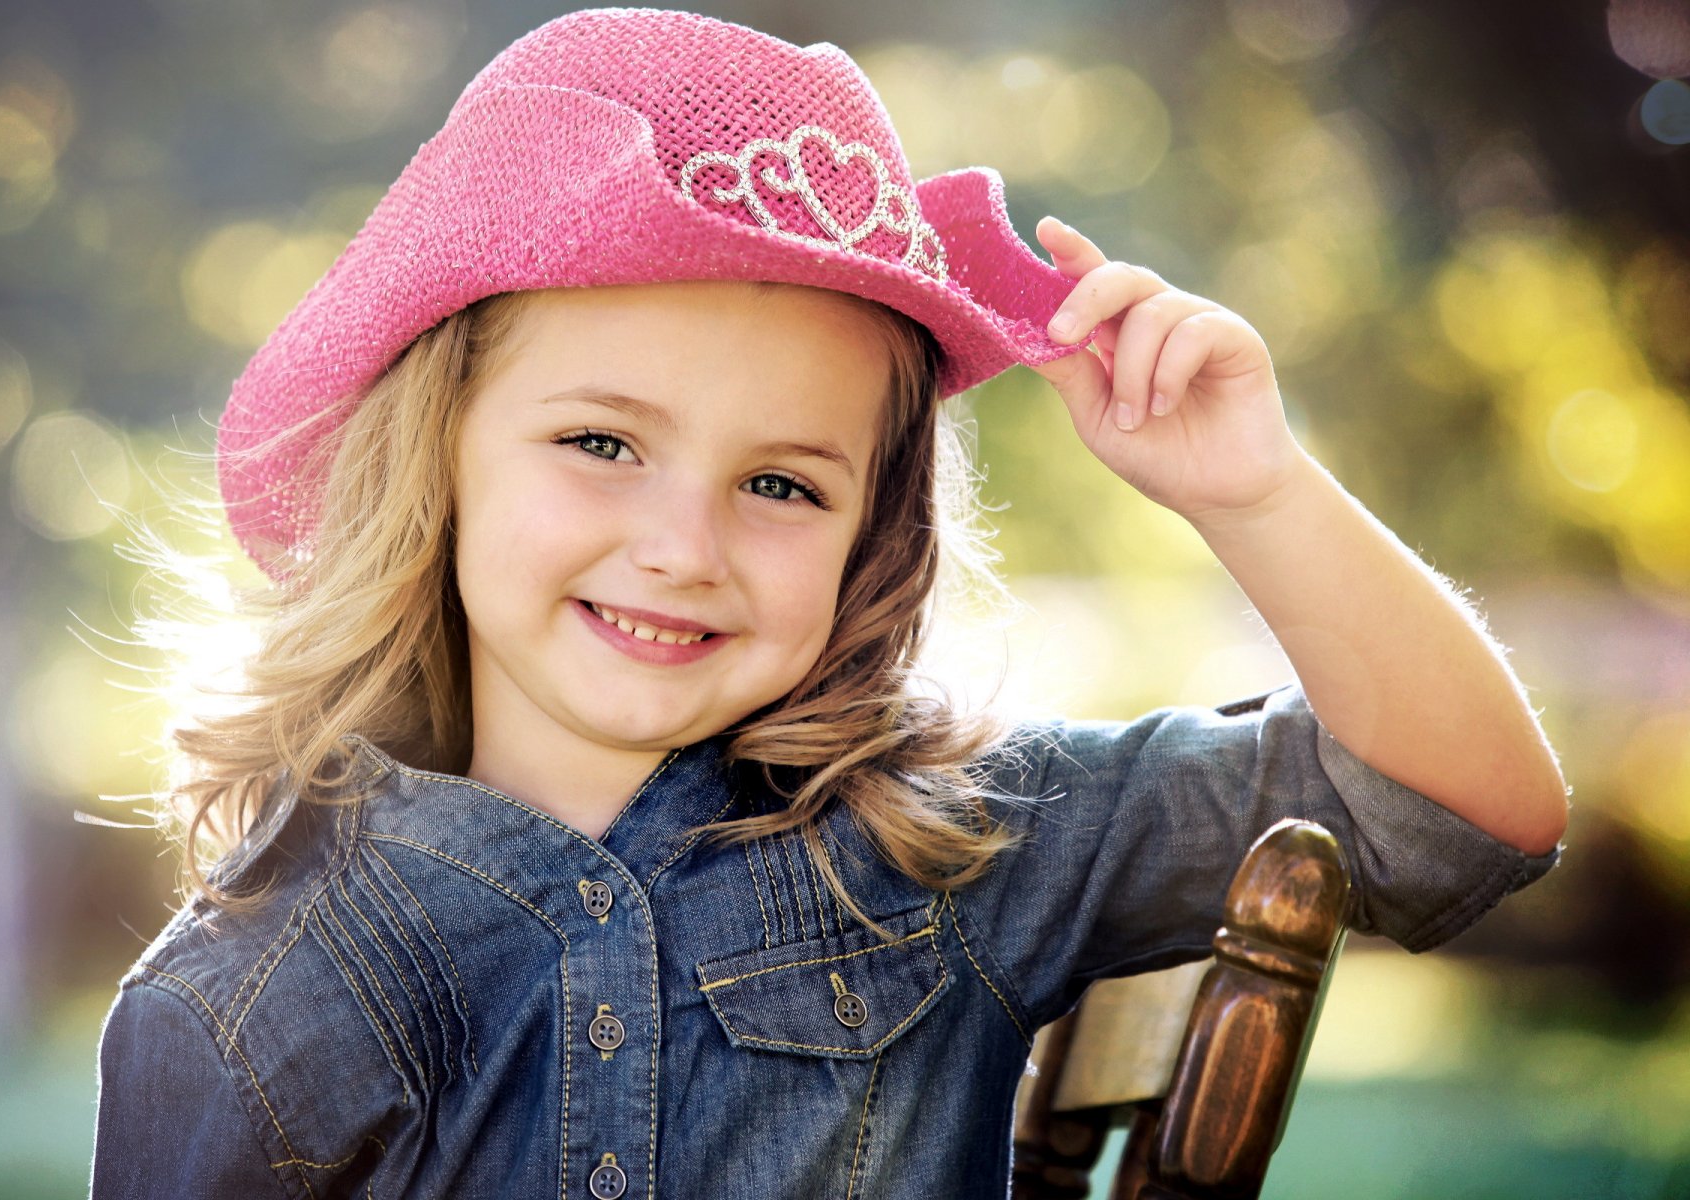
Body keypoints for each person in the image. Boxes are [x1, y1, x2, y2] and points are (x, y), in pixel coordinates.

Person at [88, 8, 1568, 1197]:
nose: (684, 546)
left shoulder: (955, 846)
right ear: (440, 460)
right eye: (602, 444)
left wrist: (1256, 493)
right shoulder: (243, 999)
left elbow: (1460, 819)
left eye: (782, 485)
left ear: (873, 533)